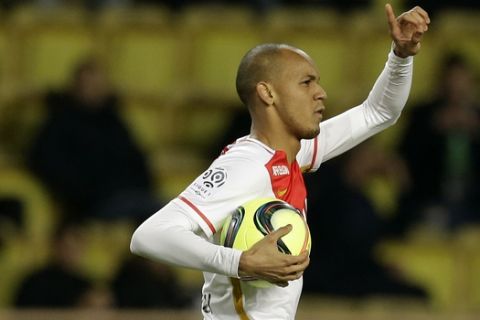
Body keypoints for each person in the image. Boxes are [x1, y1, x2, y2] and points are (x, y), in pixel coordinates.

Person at [130, 4, 430, 319]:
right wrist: (241, 262)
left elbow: (378, 112)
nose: (321, 93)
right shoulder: (245, 166)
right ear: (267, 93)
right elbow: (148, 236)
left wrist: (400, 56)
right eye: (306, 83)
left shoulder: (293, 154)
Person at [27, 57, 161, 222]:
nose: (95, 90)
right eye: (89, 85)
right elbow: (46, 162)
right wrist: (84, 193)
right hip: (92, 203)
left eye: (99, 85)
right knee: (164, 217)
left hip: (130, 195)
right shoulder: (59, 122)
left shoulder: (114, 121)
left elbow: (136, 159)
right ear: (75, 87)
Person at [302, 142, 426, 297]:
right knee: (415, 296)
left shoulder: (361, 199)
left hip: (350, 275)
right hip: (329, 280)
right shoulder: (328, 192)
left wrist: (402, 186)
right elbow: (345, 251)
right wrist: (378, 270)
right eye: (372, 155)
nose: (379, 161)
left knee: (417, 293)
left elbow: (391, 232)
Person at [397, 52, 480, 232]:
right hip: (431, 200)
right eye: (452, 81)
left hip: (473, 200)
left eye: (462, 81)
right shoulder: (422, 116)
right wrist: (433, 129)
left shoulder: (477, 118)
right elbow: (404, 159)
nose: (457, 88)